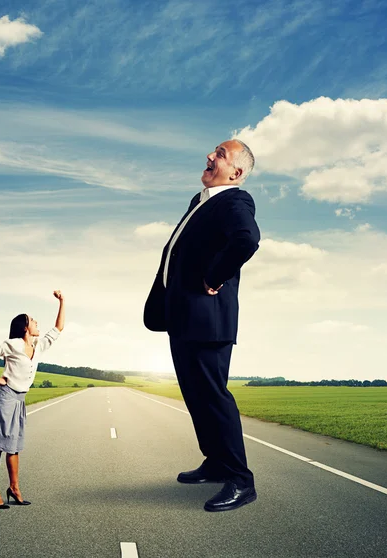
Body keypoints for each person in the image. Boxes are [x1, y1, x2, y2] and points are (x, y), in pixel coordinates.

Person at [143, 139, 260, 512]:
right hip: (183, 319)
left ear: (236, 173)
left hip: (208, 320)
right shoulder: (201, 202)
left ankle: (241, 480)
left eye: (220, 155)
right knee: (196, 397)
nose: (211, 157)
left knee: (213, 397)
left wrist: (216, 276)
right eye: (213, 152)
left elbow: (247, 240)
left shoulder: (235, 201)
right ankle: (215, 462)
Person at [0, 290, 65, 508]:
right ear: (25, 327)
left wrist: (62, 302)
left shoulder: (38, 347)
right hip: (6, 399)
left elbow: (58, 329)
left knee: (14, 447)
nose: (37, 323)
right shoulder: (13, 344)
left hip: (19, 401)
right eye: (33, 321)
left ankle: (14, 488)